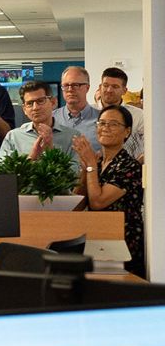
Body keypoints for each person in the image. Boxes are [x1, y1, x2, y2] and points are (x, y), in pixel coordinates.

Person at [73, 105, 146, 279]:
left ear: (127, 132)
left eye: (113, 124)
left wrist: (90, 164)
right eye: (102, 123)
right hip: (95, 237)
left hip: (122, 240)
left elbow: (98, 202)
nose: (105, 128)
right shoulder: (97, 162)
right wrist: (86, 170)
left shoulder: (130, 166)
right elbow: (77, 204)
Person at [0, 81, 78, 165]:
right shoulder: (13, 137)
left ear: (53, 102)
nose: (35, 108)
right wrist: (31, 158)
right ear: (24, 109)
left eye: (40, 101)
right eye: (29, 103)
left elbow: (74, 174)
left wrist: (51, 152)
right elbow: (3, 174)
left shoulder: (72, 137)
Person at [98, 67, 144, 159]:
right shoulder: (88, 112)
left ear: (124, 90)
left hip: (127, 170)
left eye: (115, 86)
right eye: (105, 85)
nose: (109, 90)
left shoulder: (139, 116)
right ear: (100, 87)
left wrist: (135, 165)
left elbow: (150, 147)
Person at [52, 66, 101, 152]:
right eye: (66, 85)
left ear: (87, 87)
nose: (70, 89)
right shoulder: (52, 119)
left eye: (75, 85)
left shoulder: (101, 119)